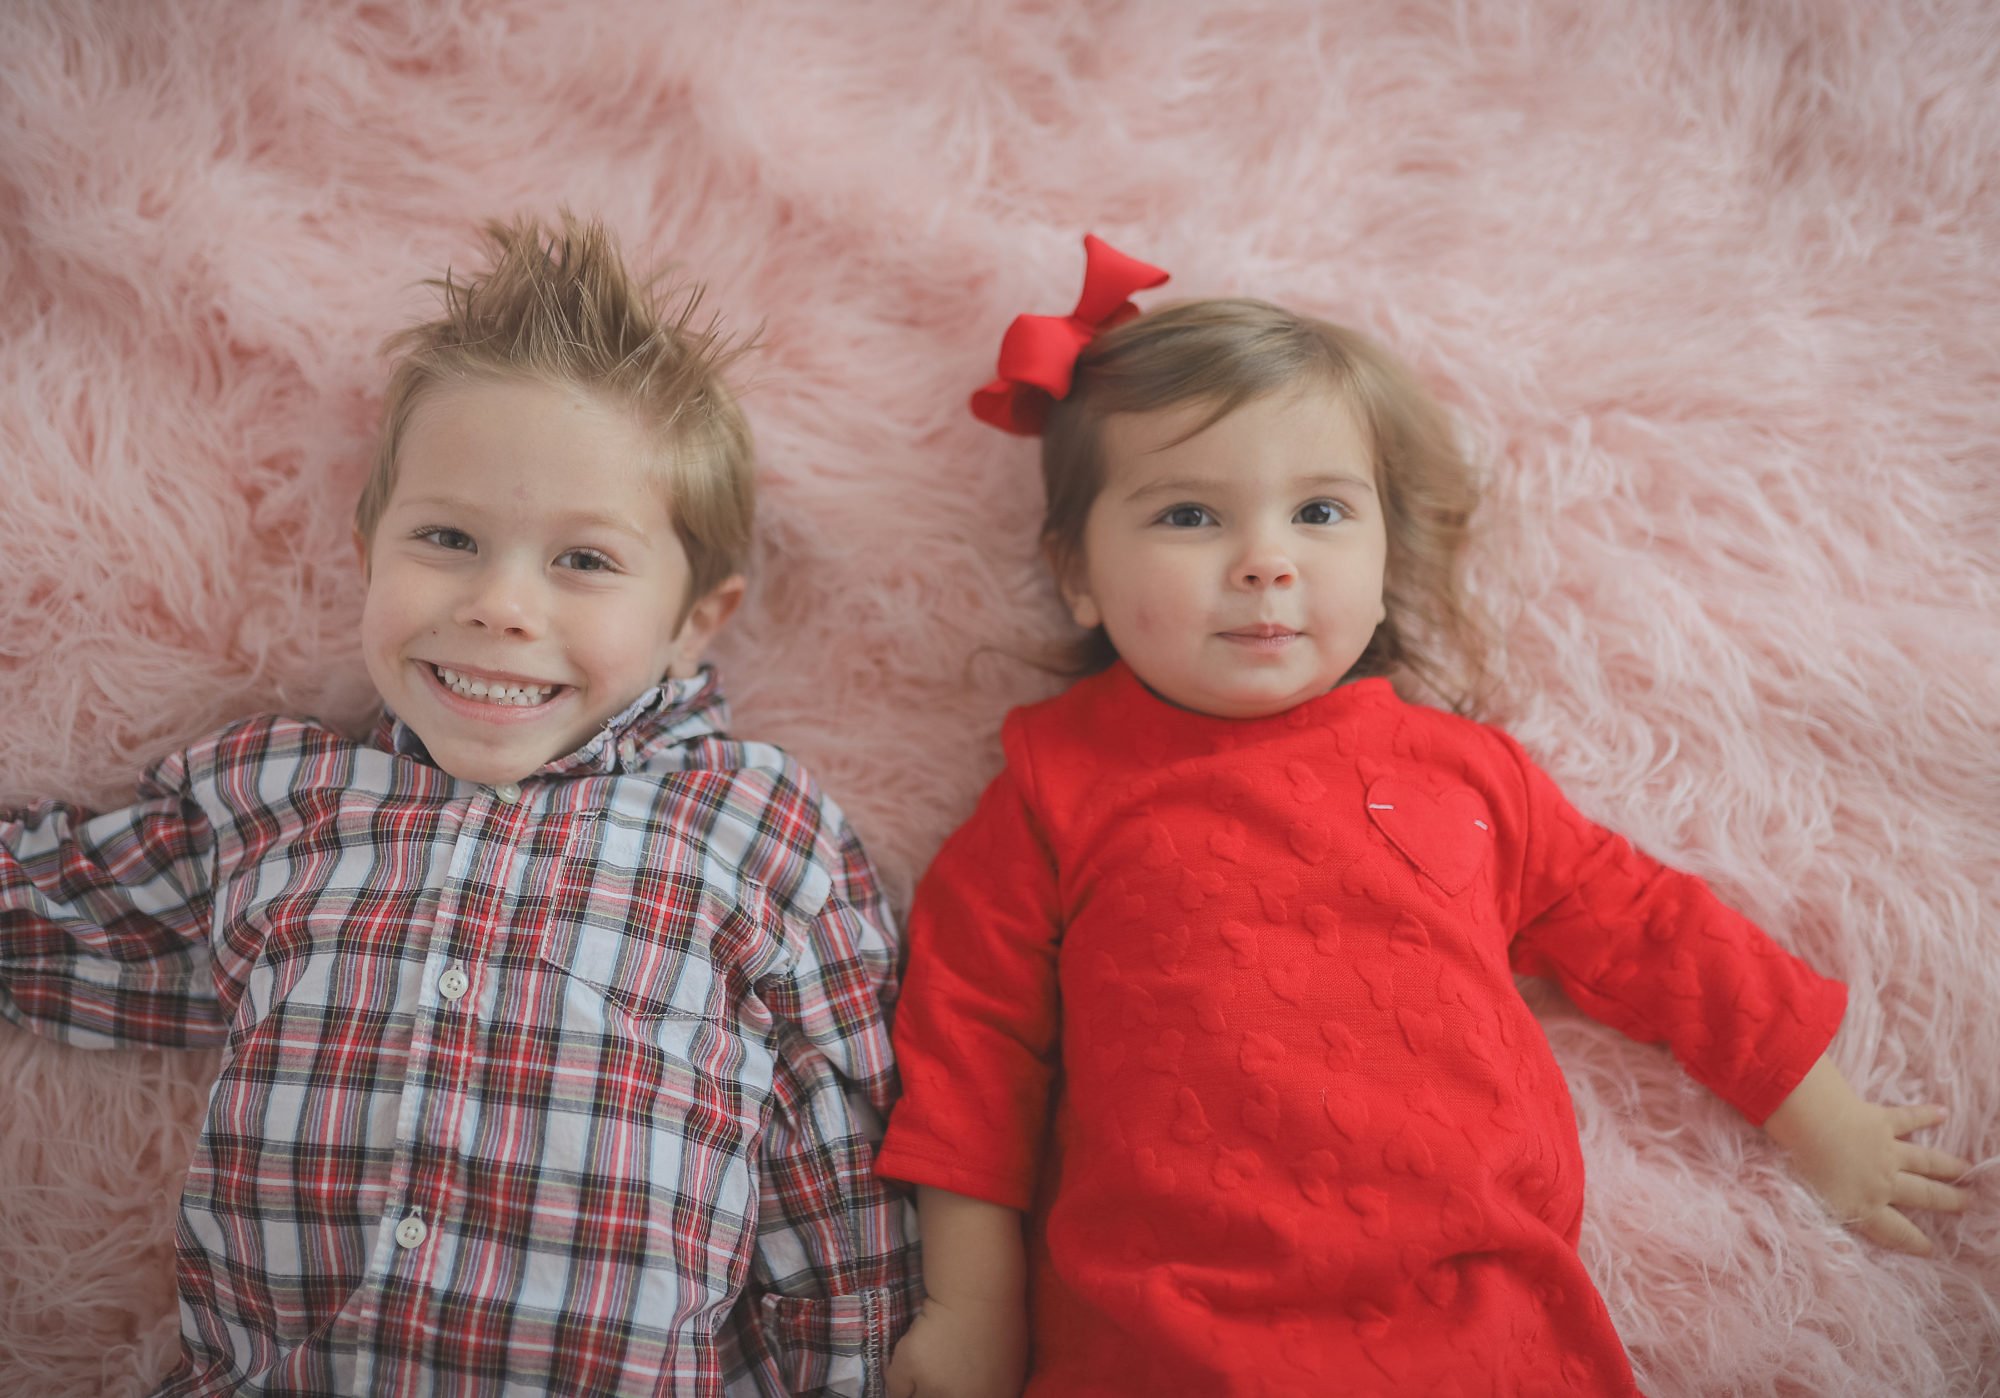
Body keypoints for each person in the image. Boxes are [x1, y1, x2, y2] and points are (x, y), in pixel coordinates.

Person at [873, 236, 1971, 1397]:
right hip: (1167, 1328)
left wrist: (1817, 1113)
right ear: (1078, 573)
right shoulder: (1052, 791)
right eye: (1189, 517)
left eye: (1319, 513)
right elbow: (968, 1060)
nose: (1264, 563)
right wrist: (971, 1309)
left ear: (1385, 551)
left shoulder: (1460, 772)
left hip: (1477, 1310)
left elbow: (1648, 929)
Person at [0, 214, 916, 1397]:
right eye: (446, 538)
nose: (498, 604)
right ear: (367, 550)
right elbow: (59, 915)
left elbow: (842, 1181)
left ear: (695, 619)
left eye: (582, 561)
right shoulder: (273, 797)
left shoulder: (753, 833)